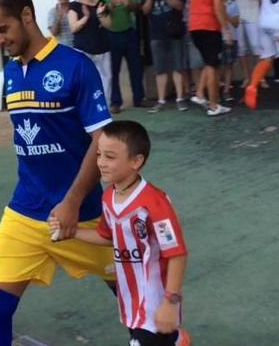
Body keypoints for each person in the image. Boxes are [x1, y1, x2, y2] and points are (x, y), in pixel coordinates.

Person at [0, 0, 115, 345]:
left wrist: (70, 202)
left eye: (2, 29)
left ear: (27, 15)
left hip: (85, 216)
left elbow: (101, 139)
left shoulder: (75, 66)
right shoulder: (10, 72)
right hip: (25, 212)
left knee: (140, 304)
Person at [49, 120, 190, 346]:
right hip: (130, 300)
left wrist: (171, 301)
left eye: (110, 157)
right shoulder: (108, 198)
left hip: (155, 303)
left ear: (136, 161)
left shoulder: (155, 203)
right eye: (99, 155)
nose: (101, 163)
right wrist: (71, 232)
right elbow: (107, 236)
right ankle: (176, 340)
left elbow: (177, 254)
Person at [94, 0, 145, 114]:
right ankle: (115, 102)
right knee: (113, 70)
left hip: (129, 32)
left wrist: (130, 4)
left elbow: (137, 8)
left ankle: (139, 98)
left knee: (136, 67)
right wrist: (111, 5)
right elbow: (98, 12)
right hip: (110, 34)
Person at [142, 0, 189, 113]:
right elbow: (145, 11)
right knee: (160, 69)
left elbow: (181, 6)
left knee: (177, 66)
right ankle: (161, 100)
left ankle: (180, 99)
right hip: (156, 32)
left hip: (175, 30)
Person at [188, 0, 232, 117]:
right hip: (209, 26)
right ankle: (213, 105)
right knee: (213, 65)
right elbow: (218, 6)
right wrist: (226, 29)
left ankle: (201, 94)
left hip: (195, 26)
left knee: (209, 62)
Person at [69, 0, 114, 101]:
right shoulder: (75, 5)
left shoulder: (100, 3)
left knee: (107, 78)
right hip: (84, 49)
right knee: (85, 80)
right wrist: (86, 17)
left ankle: (105, 107)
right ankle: (87, 108)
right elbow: (73, 28)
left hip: (102, 47)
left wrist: (100, 14)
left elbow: (109, 25)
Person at [228, 0, 264, 88]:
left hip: (252, 13)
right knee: (242, 48)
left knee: (256, 46)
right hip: (238, 14)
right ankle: (247, 77)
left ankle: (260, 76)